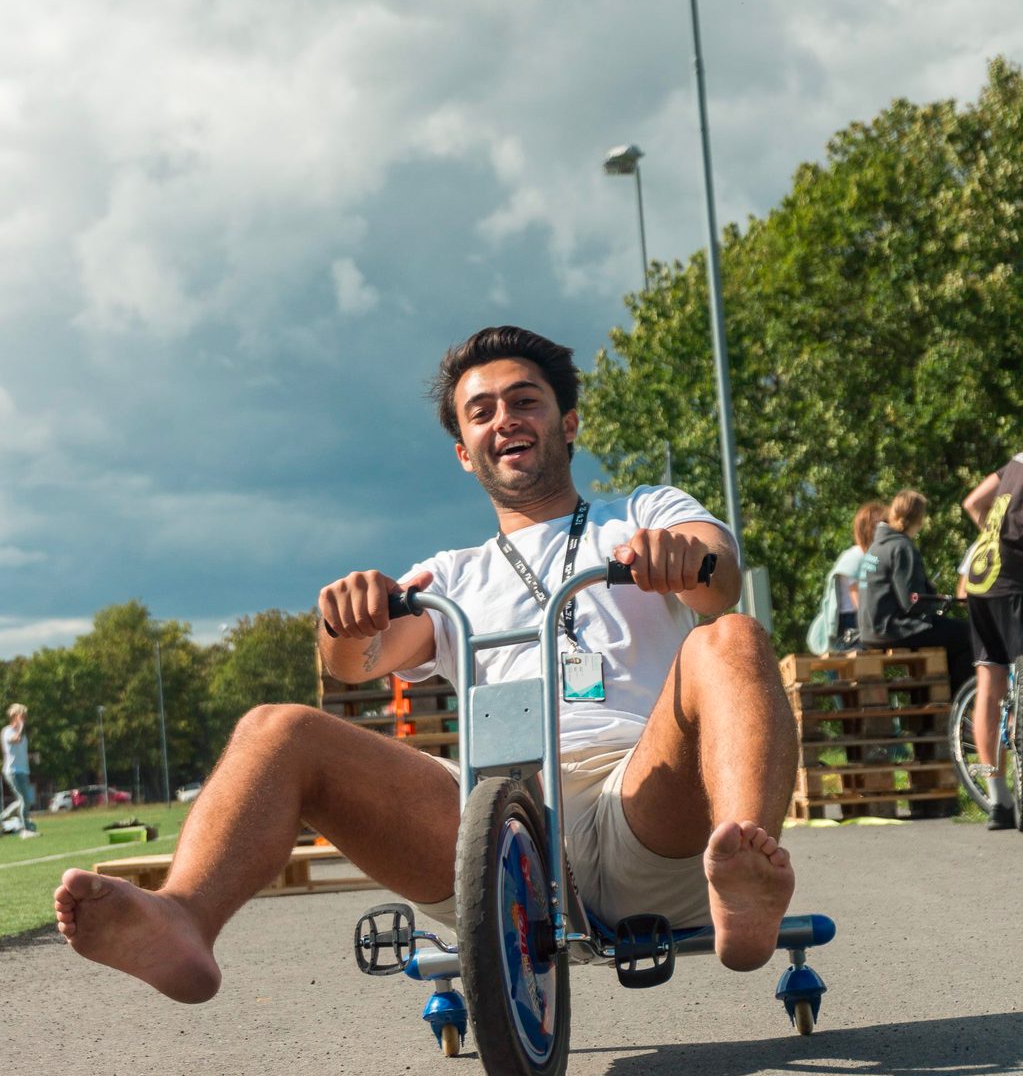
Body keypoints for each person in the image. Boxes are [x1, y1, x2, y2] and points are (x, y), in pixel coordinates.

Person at [54, 325, 798, 1004]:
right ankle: (182, 916)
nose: (503, 418)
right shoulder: (448, 577)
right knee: (274, 728)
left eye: (523, 401)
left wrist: (680, 559)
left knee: (729, 639)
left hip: (640, 800)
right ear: (462, 451)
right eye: (480, 412)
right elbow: (354, 664)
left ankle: (742, 868)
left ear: (566, 425)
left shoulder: (639, 514)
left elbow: (719, 575)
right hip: (500, 826)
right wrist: (349, 616)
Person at [858, 489, 973, 693]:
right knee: (969, 635)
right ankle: (955, 702)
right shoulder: (902, 547)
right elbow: (911, 602)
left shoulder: (876, 546)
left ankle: (933, 705)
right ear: (918, 519)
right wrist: (935, 598)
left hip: (870, 630)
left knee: (944, 636)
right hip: (893, 629)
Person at [962, 453, 1023, 829]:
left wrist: (991, 536)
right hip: (1014, 578)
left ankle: (998, 798)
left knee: (990, 685)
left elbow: (972, 503)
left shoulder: (1015, 463)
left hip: (981, 575)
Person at [806, 501, 887, 653]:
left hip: (855, 621)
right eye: (878, 525)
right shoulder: (856, 556)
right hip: (850, 623)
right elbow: (858, 599)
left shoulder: (870, 556)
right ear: (865, 528)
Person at [2, 704, 38, 838]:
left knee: (25, 800)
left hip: (23, 770)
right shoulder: (7, 731)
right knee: (23, 799)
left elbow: (19, 753)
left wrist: (31, 757)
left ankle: (4, 818)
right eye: (22, 716)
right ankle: (25, 829)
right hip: (12, 771)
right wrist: (21, 726)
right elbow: (15, 740)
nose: (25, 718)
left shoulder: (22, 734)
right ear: (15, 716)